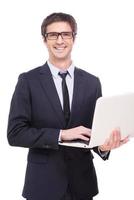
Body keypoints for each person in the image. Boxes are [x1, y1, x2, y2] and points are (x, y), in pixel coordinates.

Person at [7, 12, 128, 200]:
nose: (60, 40)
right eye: (53, 34)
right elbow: (15, 133)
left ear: (74, 38)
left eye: (66, 34)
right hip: (42, 186)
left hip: (82, 185)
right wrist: (61, 135)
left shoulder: (92, 82)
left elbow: (93, 133)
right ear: (44, 39)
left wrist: (104, 147)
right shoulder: (27, 81)